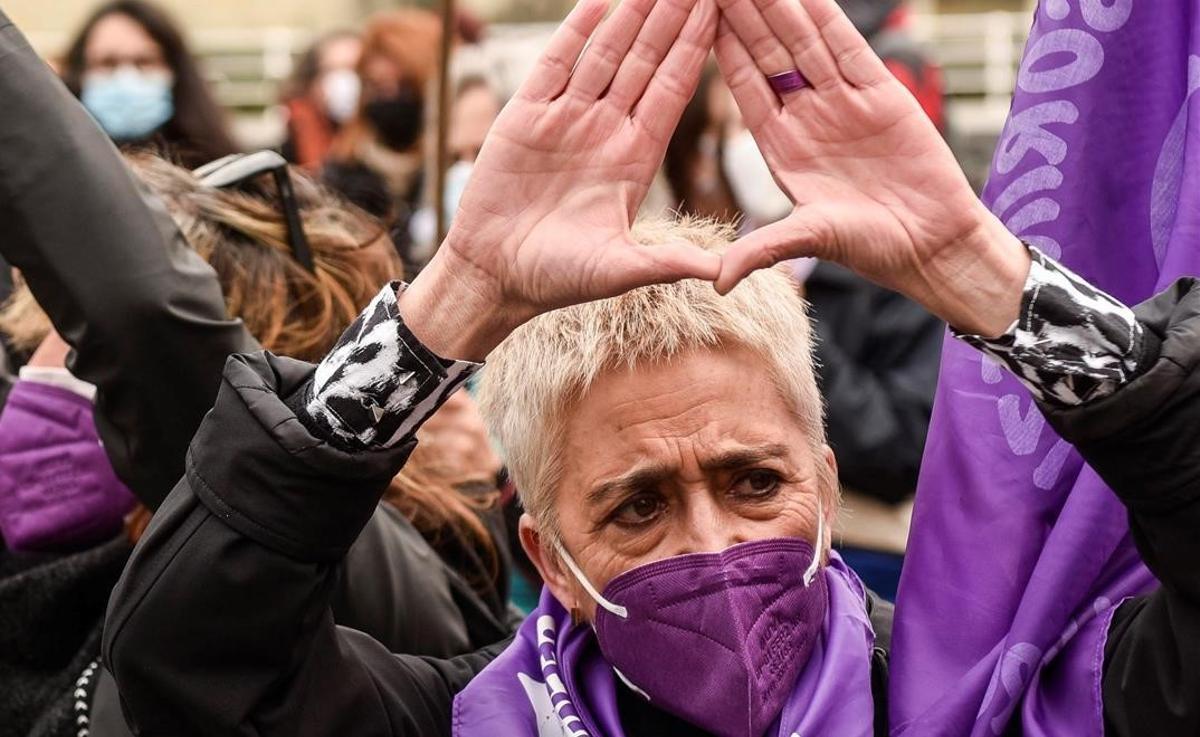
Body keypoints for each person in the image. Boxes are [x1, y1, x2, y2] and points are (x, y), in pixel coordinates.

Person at [100, 1, 1200, 737]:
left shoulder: (990, 698)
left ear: (822, 479)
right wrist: (452, 303)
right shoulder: (462, 718)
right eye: (636, 505)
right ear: (548, 554)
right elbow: (189, 661)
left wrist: (990, 279)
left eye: (755, 481)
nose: (714, 545)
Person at [0, 16, 515, 735]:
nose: (36, 382)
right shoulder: (65, 579)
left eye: (82, 352)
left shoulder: (347, 568)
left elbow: (143, 317)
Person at [322, 9, 442, 275]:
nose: (390, 99)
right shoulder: (343, 178)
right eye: (378, 87)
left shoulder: (449, 170)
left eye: (403, 88)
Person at [59, 0, 238, 168]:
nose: (126, 79)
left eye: (144, 61)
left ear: (176, 70)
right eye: (107, 62)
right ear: (79, 72)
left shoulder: (222, 170)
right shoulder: (57, 169)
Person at [280, 30, 363, 171]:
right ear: (311, 81)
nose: (344, 82)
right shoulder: (287, 152)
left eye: (354, 70)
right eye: (331, 70)